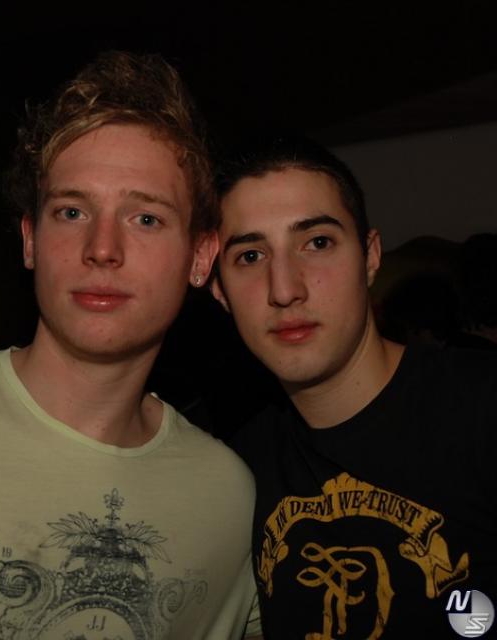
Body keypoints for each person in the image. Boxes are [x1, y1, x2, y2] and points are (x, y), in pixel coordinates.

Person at [0, 52, 261, 639]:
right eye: (72, 211)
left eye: (146, 219)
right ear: (30, 240)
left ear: (200, 257)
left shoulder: (228, 494)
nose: (102, 248)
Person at [211, 136, 496, 638]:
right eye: (251, 256)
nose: (285, 289)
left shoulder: (481, 406)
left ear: (370, 256)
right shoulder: (236, 473)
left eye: (317, 243)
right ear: (220, 292)